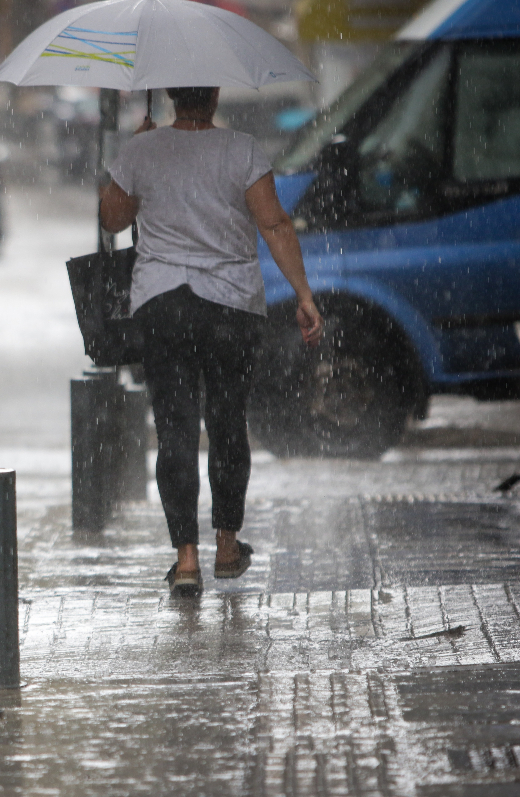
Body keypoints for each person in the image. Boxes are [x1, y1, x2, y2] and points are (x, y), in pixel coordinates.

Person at [99, 86, 323, 597]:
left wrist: (130, 156)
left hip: (163, 306)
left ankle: (185, 560)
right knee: (227, 422)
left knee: (174, 427)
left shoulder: (142, 149)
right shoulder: (242, 149)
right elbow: (274, 224)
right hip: (231, 306)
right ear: (216, 95)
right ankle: (226, 545)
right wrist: (303, 293)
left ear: (173, 96)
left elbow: (112, 219)